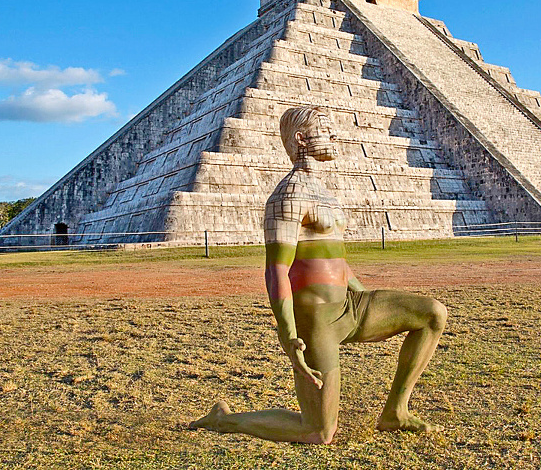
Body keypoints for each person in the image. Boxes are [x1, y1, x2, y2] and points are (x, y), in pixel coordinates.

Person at [189, 105, 447, 443]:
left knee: (431, 314)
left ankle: (395, 412)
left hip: (350, 306)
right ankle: (224, 420)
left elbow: (335, 259)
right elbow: (276, 270)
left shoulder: (325, 194)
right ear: (301, 139)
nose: (334, 136)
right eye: (325, 130)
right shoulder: (287, 196)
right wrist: (288, 333)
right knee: (318, 432)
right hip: (316, 320)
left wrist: (364, 295)